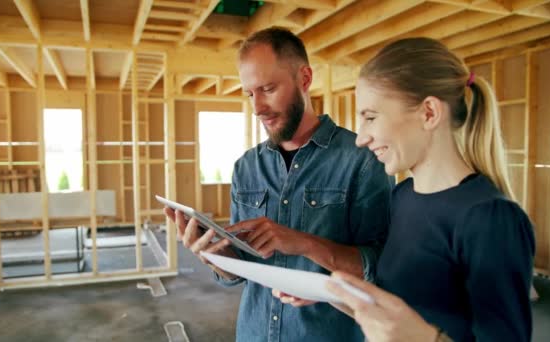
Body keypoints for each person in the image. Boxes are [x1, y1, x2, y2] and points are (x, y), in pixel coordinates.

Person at [164, 27, 392, 341]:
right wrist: (213, 255)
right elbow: (239, 272)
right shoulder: (246, 167)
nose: (257, 107)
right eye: (249, 93)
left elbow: (380, 267)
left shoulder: (361, 161)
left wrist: (303, 243)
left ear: (305, 79)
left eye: (268, 88)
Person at [320, 37, 535, 341]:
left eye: (370, 117)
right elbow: (400, 314)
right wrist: (335, 296)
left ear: (429, 113)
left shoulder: (491, 218)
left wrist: (425, 338)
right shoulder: (402, 196)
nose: (360, 138)